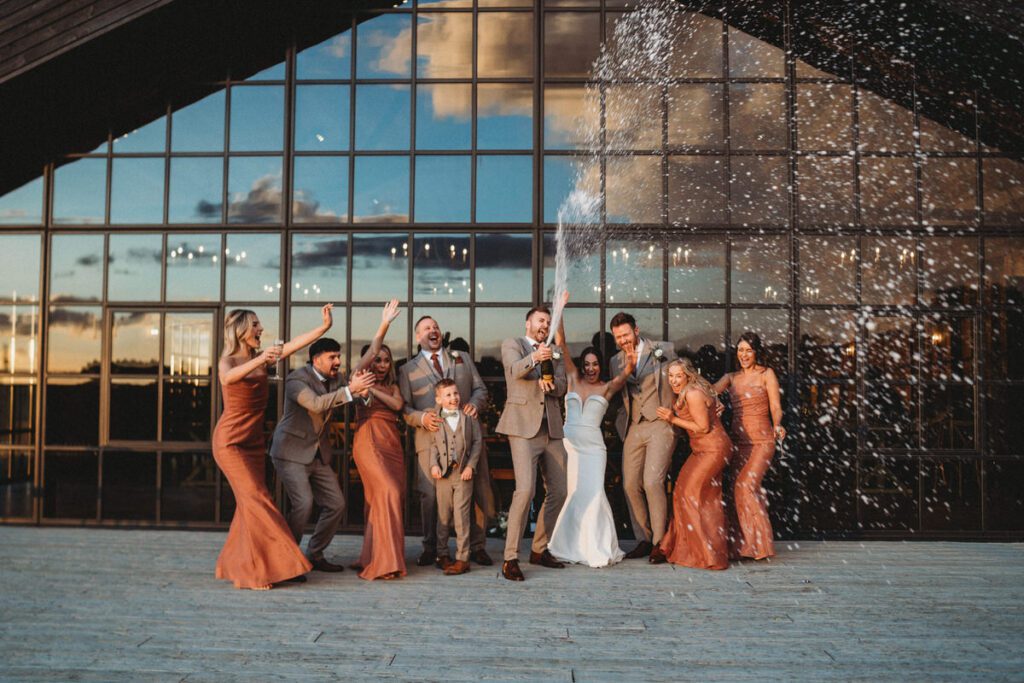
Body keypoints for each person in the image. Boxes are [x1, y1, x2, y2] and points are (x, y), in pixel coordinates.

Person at [214, 305, 341, 589]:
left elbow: (296, 344)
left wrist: (324, 328)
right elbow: (227, 379)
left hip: (254, 443)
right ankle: (262, 571)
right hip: (230, 442)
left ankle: (241, 565)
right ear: (241, 330)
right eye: (256, 325)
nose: (261, 329)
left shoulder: (262, 358)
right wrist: (260, 361)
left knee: (249, 506)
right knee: (258, 500)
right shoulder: (229, 361)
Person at [269, 312, 375, 576]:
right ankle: (288, 560)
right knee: (303, 504)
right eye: (333, 357)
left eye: (339, 356)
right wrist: (351, 391)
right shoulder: (297, 380)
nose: (338, 361)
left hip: (318, 454)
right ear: (316, 359)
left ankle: (314, 554)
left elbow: (354, 396)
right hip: (290, 452)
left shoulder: (338, 379)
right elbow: (316, 405)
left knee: (337, 504)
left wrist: (364, 394)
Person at [398, 315, 494, 568]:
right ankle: (432, 548)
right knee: (430, 496)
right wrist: (421, 418)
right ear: (418, 336)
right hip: (429, 441)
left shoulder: (461, 358)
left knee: (476, 490)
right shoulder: (406, 370)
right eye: (427, 328)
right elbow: (403, 408)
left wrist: (474, 404)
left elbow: (481, 390)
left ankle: (477, 547)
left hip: (467, 436)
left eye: (436, 327)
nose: (433, 331)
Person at [547, 293, 635, 567]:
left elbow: (628, 370)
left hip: (595, 449)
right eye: (587, 364)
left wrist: (631, 351)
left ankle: (596, 547)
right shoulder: (573, 379)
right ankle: (570, 546)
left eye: (595, 364)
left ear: (600, 365)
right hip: (571, 445)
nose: (591, 368)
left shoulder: (607, 388)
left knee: (595, 493)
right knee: (573, 493)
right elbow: (560, 343)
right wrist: (559, 309)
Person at [496, 305, 568, 582]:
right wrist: (536, 358)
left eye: (549, 322)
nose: (545, 325)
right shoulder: (512, 344)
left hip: (551, 428)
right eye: (541, 320)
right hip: (523, 428)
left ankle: (539, 548)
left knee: (560, 491)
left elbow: (562, 384)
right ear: (528, 323)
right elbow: (514, 372)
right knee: (524, 491)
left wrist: (554, 386)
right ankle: (510, 558)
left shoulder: (555, 351)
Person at [607, 312, 678, 561]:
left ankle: (660, 543)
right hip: (634, 425)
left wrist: (678, 410)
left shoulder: (664, 349)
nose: (623, 341)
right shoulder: (615, 361)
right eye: (618, 337)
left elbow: (682, 380)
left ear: (636, 330)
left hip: (660, 422)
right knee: (629, 485)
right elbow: (615, 393)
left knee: (652, 482)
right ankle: (643, 539)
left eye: (626, 335)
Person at [347, 300, 408, 580]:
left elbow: (396, 406)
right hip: (369, 441)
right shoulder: (358, 377)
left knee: (378, 500)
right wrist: (385, 323)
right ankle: (384, 563)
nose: (382, 364)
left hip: (392, 444)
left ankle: (374, 556)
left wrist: (377, 390)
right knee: (388, 493)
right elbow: (372, 349)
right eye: (378, 360)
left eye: (386, 360)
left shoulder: (392, 386)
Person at [653, 359, 732, 570]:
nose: (674, 380)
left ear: (687, 376)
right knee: (697, 497)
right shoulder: (690, 391)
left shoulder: (693, 393)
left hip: (713, 449)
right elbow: (713, 399)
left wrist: (672, 418)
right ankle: (701, 548)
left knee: (689, 494)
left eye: (678, 376)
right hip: (702, 450)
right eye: (671, 376)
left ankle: (706, 554)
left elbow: (703, 427)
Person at [713, 332, 785, 560]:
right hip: (738, 443)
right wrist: (716, 403)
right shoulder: (731, 377)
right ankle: (742, 544)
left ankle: (759, 545)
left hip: (762, 442)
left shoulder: (767, 374)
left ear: (756, 352)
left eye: (748, 350)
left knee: (745, 487)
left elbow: (775, 405)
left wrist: (778, 424)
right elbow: (706, 394)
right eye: (740, 350)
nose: (744, 355)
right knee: (740, 491)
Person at [430, 379, 483, 576]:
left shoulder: (469, 417)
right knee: (443, 515)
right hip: (443, 475)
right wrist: (433, 464)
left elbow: (477, 443)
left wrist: (470, 466)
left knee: (461, 516)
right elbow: (433, 445)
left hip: (462, 474)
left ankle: (462, 558)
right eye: (448, 395)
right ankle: (442, 554)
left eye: (455, 393)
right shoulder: (436, 418)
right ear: (439, 399)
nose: (453, 398)